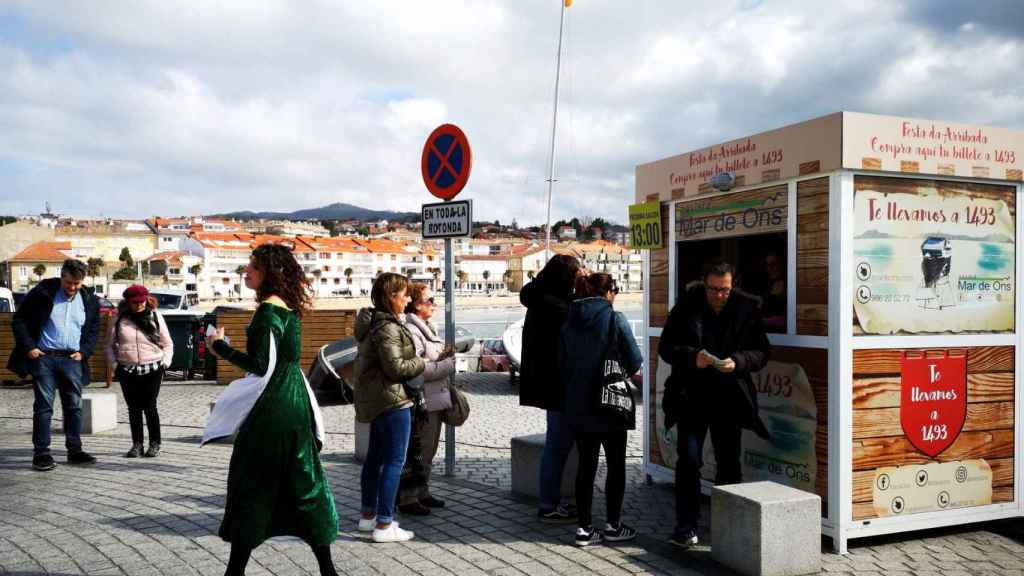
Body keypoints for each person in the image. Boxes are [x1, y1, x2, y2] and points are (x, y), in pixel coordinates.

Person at [206, 244, 339, 576]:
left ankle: (234, 572)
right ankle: (328, 569)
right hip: (296, 399)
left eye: (252, 267)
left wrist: (219, 347)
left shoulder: (267, 311)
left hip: (273, 404)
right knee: (303, 479)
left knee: (254, 482)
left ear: (268, 272)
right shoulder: (289, 308)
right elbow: (282, 361)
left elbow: (262, 365)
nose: (246, 272)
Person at [659, 259, 770, 549]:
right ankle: (685, 527)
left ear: (733, 286)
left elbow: (761, 352)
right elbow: (666, 348)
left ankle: (728, 528)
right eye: (714, 289)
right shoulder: (686, 306)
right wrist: (692, 358)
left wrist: (739, 362)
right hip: (691, 396)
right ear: (704, 283)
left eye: (725, 290)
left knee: (729, 464)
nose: (719, 295)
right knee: (689, 462)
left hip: (729, 398)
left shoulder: (746, 308)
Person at [561, 273, 642, 547]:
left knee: (586, 466)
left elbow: (562, 364)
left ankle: (584, 529)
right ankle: (613, 525)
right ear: (608, 293)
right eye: (615, 290)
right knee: (616, 465)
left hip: (579, 404)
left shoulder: (569, 321)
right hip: (610, 404)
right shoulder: (615, 318)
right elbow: (635, 360)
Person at [353, 272, 426, 543]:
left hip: (378, 399)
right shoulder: (388, 327)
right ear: (391, 296)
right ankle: (384, 525)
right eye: (404, 294)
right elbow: (395, 367)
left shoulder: (373, 323)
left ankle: (368, 517)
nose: (408, 298)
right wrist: (420, 362)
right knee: (394, 461)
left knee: (374, 459)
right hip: (393, 401)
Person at [8, 259, 100, 471]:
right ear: (62, 277)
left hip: (72, 360)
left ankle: (74, 450)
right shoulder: (43, 293)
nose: (72, 288)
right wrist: (29, 347)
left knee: (74, 408)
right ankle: (41, 454)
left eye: (76, 284)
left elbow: (94, 328)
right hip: (44, 358)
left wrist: (84, 352)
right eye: (68, 283)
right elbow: (19, 320)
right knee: (43, 408)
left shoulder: (88, 299)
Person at [518, 254, 583, 522]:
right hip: (561, 384)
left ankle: (551, 501)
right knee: (557, 446)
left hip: (547, 383)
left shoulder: (538, 297)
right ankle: (549, 505)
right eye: (575, 275)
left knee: (556, 444)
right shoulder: (557, 306)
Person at [398, 283, 456, 515]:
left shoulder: (427, 327)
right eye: (429, 300)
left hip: (434, 398)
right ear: (416, 304)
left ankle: (422, 491)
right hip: (424, 400)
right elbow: (418, 369)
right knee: (420, 449)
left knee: (429, 449)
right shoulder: (412, 331)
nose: (434, 304)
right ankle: (408, 497)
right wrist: (447, 365)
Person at [105, 285, 173, 458]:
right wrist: (114, 365)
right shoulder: (119, 319)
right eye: (135, 302)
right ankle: (137, 444)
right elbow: (109, 345)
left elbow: (168, 343)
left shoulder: (155, 316)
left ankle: (155, 443)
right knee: (133, 408)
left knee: (150, 406)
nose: (139, 305)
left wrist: (165, 362)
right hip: (127, 369)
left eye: (142, 301)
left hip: (153, 367)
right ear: (128, 302)